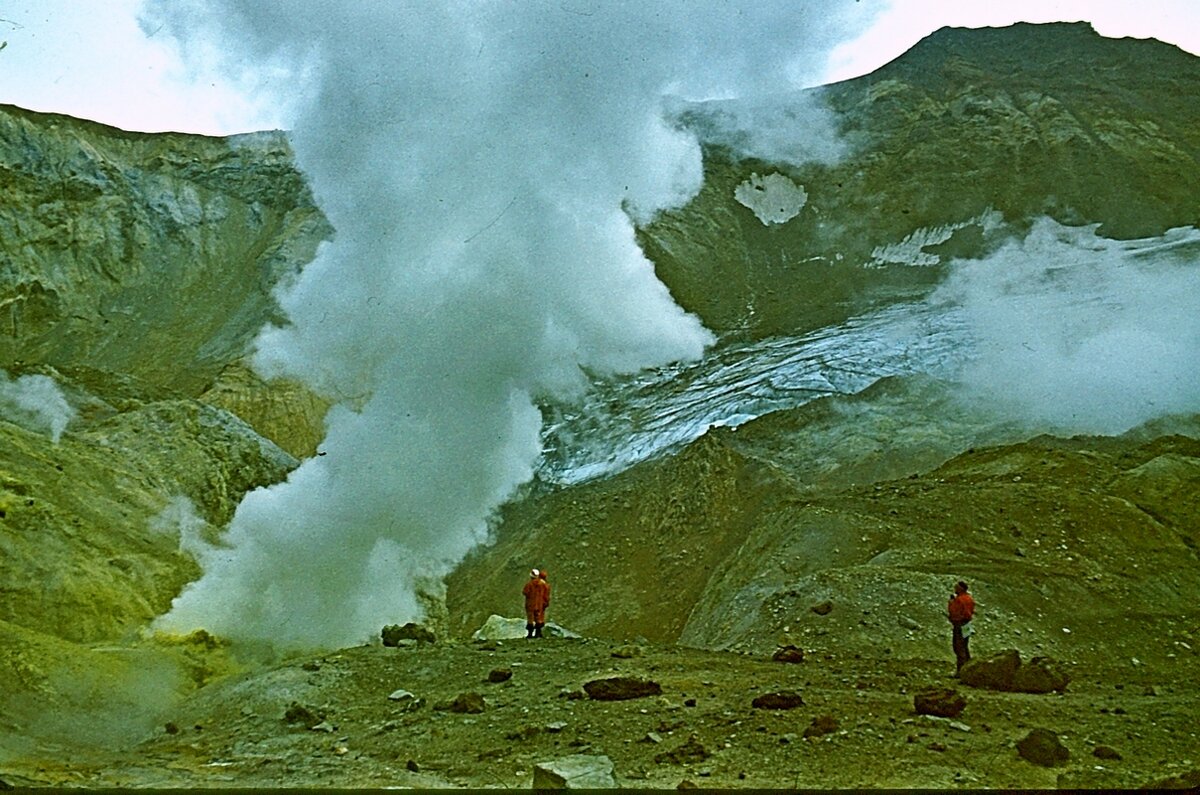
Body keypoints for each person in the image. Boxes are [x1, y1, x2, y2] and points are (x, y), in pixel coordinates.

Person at [947, 580, 976, 675]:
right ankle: (969, 668)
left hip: (959, 624)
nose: (955, 589)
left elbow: (954, 612)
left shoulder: (959, 600)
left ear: (961, 589)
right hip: (967, 624)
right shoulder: (969, 598)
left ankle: (961, 670)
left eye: (956, 587)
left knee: (958, 647)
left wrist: (951, 603)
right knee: (964, 646)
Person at [522, 568, 550, 638]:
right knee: (539, 618)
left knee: (530, 619)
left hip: (530, 604)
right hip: (539, 604)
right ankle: (538, 633)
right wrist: (546, 602)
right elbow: (546, 594)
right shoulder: (543, 584)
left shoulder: (529, 584)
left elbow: (525, 592)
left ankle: (530, 634)